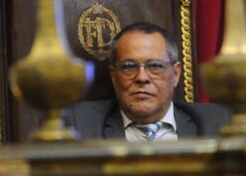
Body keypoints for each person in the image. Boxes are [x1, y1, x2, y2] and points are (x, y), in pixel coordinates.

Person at [69, 22, 229, 140]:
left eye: (155, 66)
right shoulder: (80, 124)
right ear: (114, 76)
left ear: (175, 74)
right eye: (129, 66)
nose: (142, 78)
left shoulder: (219, 123)